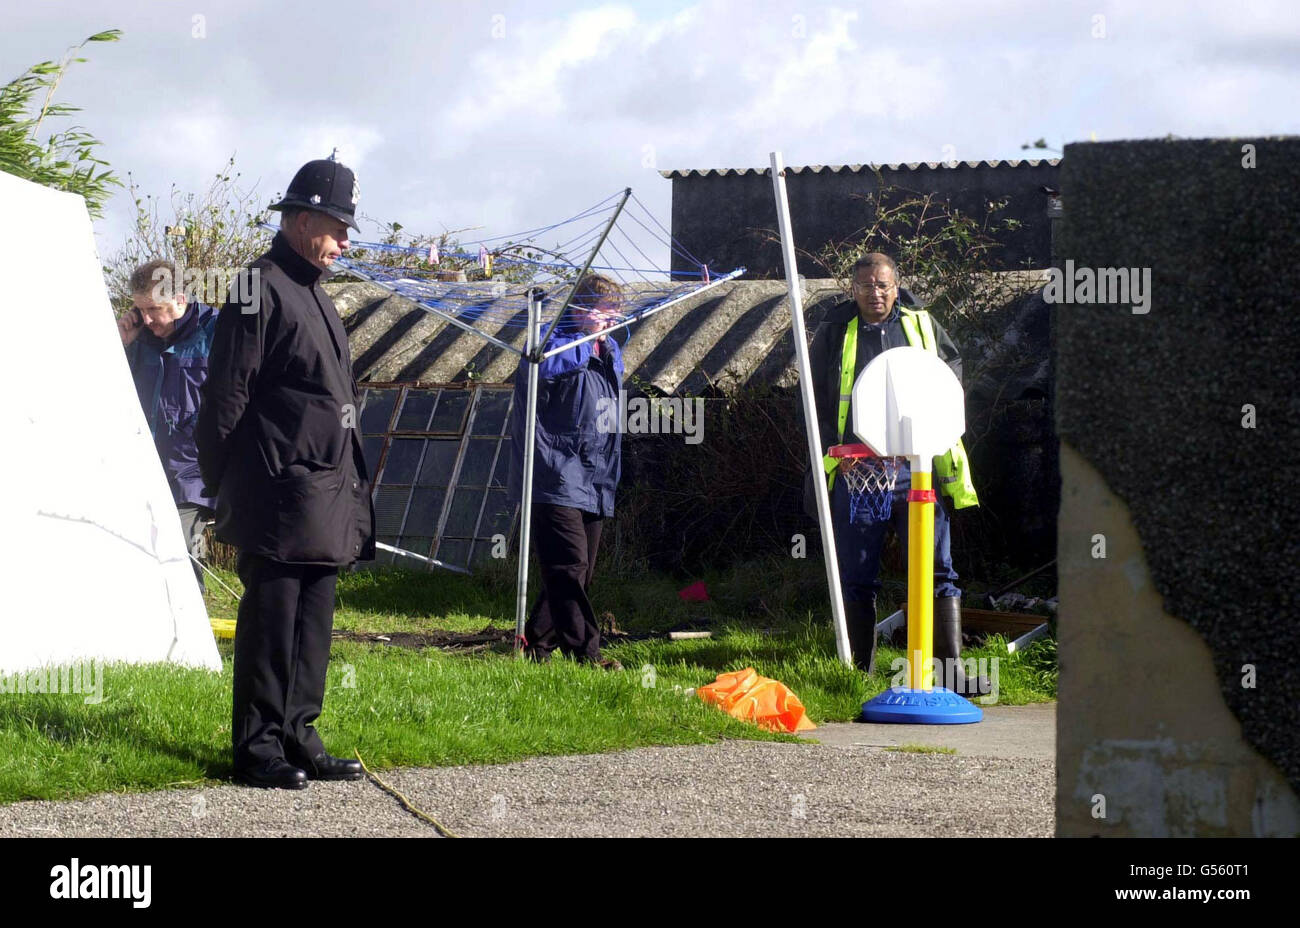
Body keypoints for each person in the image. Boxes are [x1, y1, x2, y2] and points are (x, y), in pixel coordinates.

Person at [197, 156, 375, 790]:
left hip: (325, 489)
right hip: (275, 489)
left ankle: (300, 735)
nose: (346, 240)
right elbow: (225, 395)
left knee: (314, 621)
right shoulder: (259, 285)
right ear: (301, 221)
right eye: (336, 225)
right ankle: (257, 748)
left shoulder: (318, 297)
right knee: (272, 622)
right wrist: (219, 483)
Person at [805, 253, 986, 695]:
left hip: (916, 468)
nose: (875, 292)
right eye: (866, 284)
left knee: (938, 569)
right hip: (859, 471)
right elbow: (811, 400)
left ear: (896, 284)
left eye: (883, 284)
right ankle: (856, 674)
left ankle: (950, 674)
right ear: (853, 288)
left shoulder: (921, 324)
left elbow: (950, 376)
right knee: (857, 573)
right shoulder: (833, 331)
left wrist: (933, 431)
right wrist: (834, 449)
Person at [509, 274, 625, 669]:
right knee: (569, 566)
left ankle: (535, 644)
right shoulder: (549, 343)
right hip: (554, 472)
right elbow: (540, 369)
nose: (611, 321)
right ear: (580, 309)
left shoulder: (610, 351)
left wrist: (601, 344)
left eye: (616, 313)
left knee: (581, 570)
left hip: (595, 475)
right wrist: (586, 344)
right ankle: (587, 654)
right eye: (603, 312)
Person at [118, 259, 216, 590]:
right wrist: (120, 346)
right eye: (140, 309)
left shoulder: (218, 333)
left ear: (180, 300)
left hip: (193, 474)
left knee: (180, 556)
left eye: (154, 309)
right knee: (138, 561)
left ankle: (190, 635)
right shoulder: (137, 338)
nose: (146, 319)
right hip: (141, 470)